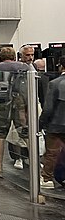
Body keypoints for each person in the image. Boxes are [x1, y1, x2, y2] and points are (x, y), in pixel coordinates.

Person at [0, 46, 29, 176]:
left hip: (1, 103)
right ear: (14, 55)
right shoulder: (24, 67)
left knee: (0, 134)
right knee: (25, 132)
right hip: (19, 102)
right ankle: (35, 163)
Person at [40, 56, 65, 189]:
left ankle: (46, 178)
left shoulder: (54, 83)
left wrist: (41, 123)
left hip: (56, 124)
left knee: (52, 152)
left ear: (61, 66)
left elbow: (48, 108)